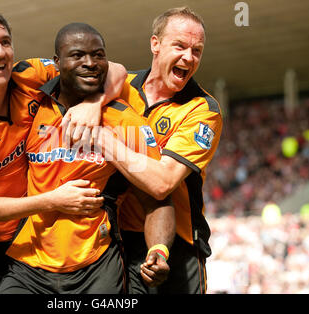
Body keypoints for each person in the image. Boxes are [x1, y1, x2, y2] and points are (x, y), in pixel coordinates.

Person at [0, 10, 122, 294]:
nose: (0, 52)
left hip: (26, 246)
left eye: (5, 42)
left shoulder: (30, 75)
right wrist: (53, 200)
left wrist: (95, 102)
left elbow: (113, 68)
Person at [0, 22, 174, 294]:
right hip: (28, 265)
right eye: (77, 55)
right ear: (57, 62)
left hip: (96, 265)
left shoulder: (126, 121)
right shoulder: (31, 109)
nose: (90, 63)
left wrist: (160, 250)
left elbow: (156, 198)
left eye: (99, 55)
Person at [97, 7, 223, 294]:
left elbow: (162, 183)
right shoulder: (121, 86)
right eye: (180, 46)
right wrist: (89, 105)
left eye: (197, 50)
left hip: (179, 246)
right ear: (155, 44)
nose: (189, 57)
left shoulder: (203, 109)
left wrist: (105, 142)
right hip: (119, 239)